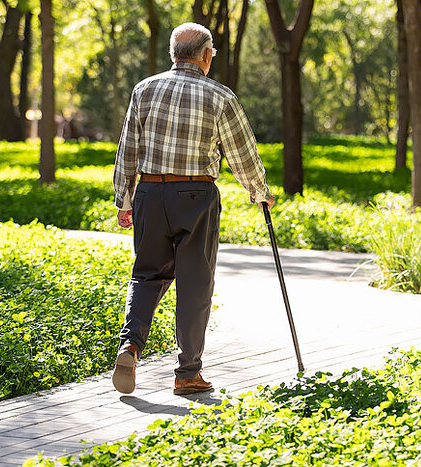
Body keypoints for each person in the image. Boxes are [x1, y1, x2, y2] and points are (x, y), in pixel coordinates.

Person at [111, 22, 275, 395]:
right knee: (195, 283)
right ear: (204, 55)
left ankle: (131, 345)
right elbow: (242, 155)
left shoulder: (145, 89)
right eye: (212, 52)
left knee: (147, 274)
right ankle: (187, 373)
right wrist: (259, 191)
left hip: (150, 194)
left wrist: (125, 198)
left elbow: (128, 149)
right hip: (195, 197)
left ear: (174, 54)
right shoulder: (220, 96)